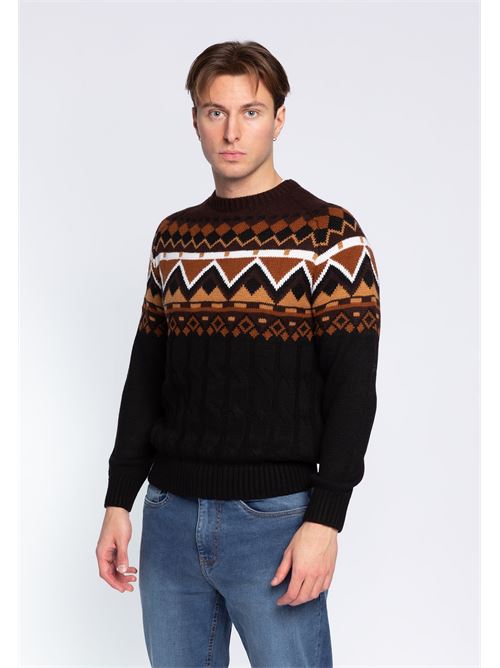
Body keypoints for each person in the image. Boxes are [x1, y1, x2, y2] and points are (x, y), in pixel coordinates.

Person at [96, 40, 381, 668]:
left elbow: (353, 389)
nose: (231, 131)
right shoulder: (175, 237)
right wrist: (119, 498)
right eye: (215, 112)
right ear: (195, 120)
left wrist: (326, 519)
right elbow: (146, 377)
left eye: (250, 112)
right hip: (169, 516)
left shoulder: (329, 236)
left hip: (276, 522)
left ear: (279, 119)